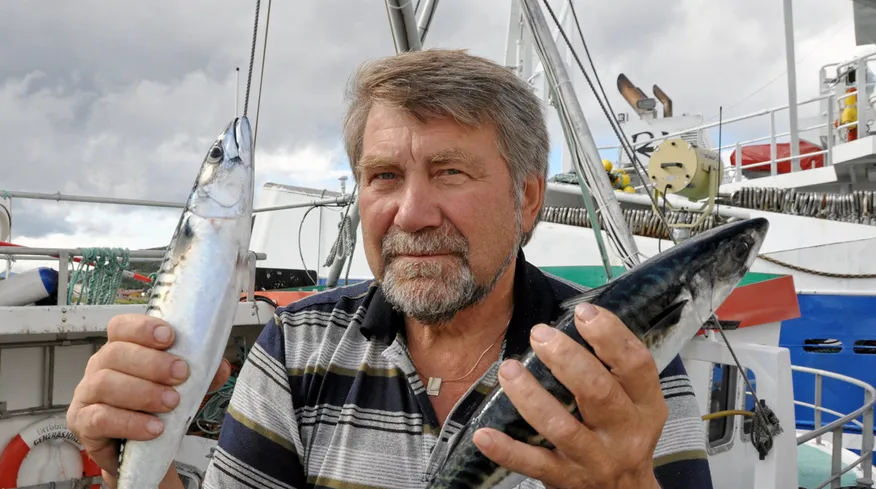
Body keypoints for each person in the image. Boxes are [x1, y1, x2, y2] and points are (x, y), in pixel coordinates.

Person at [67, 48, 714, 489]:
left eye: (450, 171)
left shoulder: (623, 362)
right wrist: (143, 464)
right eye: (383, 176)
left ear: (528, 198)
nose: (411, 213)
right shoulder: (295, 351)